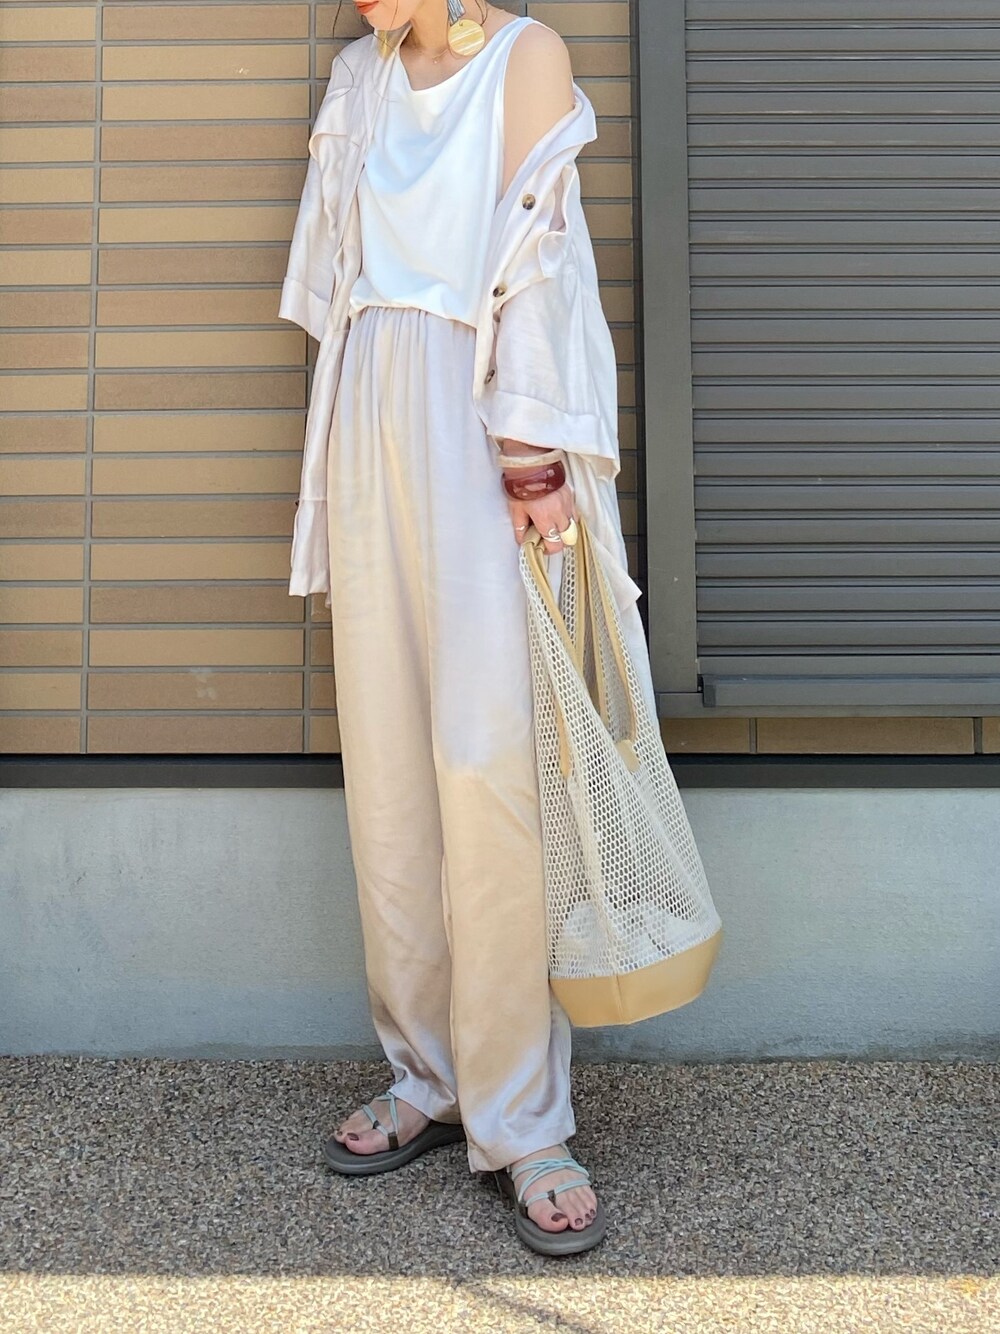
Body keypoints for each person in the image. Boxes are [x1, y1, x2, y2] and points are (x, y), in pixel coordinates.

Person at [280, 0, 628, 1256]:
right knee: (388, 769)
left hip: (481, 417)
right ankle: (425, 1071)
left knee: (490, 766)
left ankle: (524, 1117)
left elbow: (539, 257)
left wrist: (530, 450)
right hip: (368, 401)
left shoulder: (526, 56)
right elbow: (339, 276)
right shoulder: (360, 74)